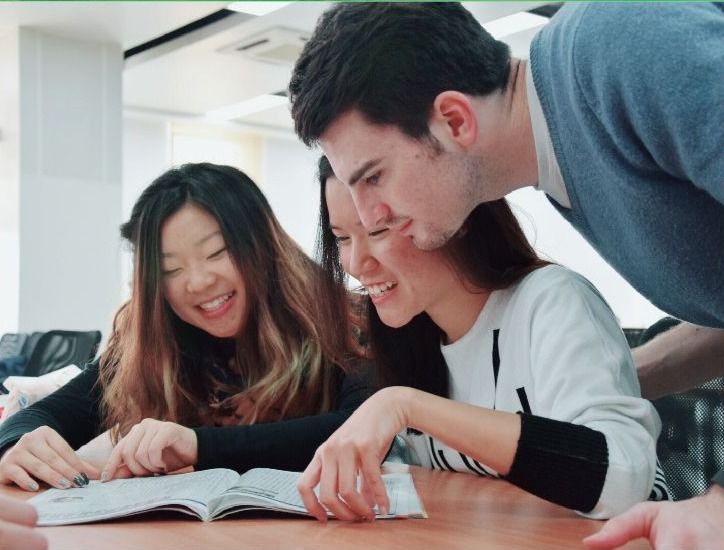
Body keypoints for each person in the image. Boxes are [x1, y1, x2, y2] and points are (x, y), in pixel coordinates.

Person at [289, 4, 724, 547]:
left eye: (373, 176)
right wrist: (613, 378)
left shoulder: (614, 46)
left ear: (454, 120)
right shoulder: (569, 167)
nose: (370, 215)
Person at [297, 156, 668, 522]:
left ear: (455, 216)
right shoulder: (411, 338)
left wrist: (407, 405)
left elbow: (621, 480)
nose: (355, 263)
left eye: (378, 231)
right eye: (342, 238)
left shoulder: (552, 300)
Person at [0, 162, 370, 491]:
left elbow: (364, 427)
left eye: (216, 252)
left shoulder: (341, 319)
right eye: (171, 270)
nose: (198, 282)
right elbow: (43, 415)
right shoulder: (155, 343)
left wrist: (196, 445)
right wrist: (17, 444)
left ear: (263, 246)